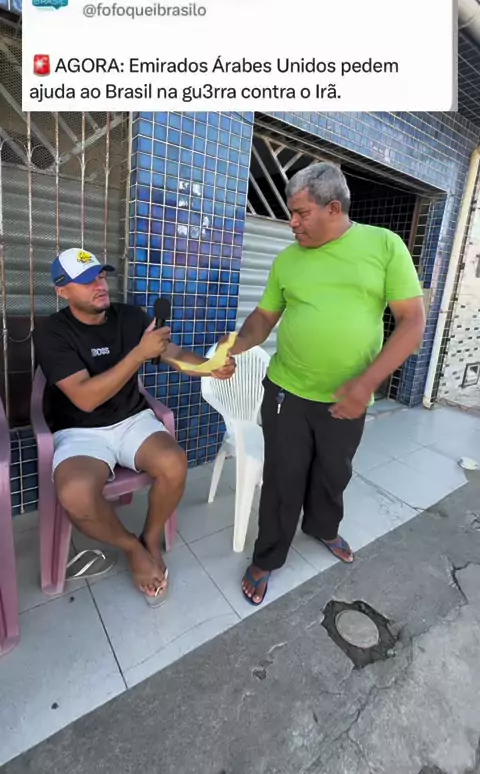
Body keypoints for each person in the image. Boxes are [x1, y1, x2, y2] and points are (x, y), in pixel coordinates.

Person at [230, 162, 426, 606]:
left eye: (301, 213)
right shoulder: (287, 260)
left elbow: (412, 322)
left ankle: (323, 528)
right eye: (290, 213)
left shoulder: (383, 245)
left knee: (333, 472)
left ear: (333, 208)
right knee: (283, 479)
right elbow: (263, 317)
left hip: (347, 399)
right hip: (286, 390)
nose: (292, 223)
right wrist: (234, 349)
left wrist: (365, 384)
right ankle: (268, 557)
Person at [33, 248, 235, 607]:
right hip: (79, 430)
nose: (99, 285)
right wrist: (139, 354)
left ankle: (150, 537)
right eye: (86, 280)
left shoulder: (128, 317)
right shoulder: (52, 332)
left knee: (174, 463)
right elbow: (85, 398)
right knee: (76, 494)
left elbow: (172, 353)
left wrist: (209, 366)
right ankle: (131, 547)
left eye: (100, 276)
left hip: (131, 420)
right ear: (62, 290)